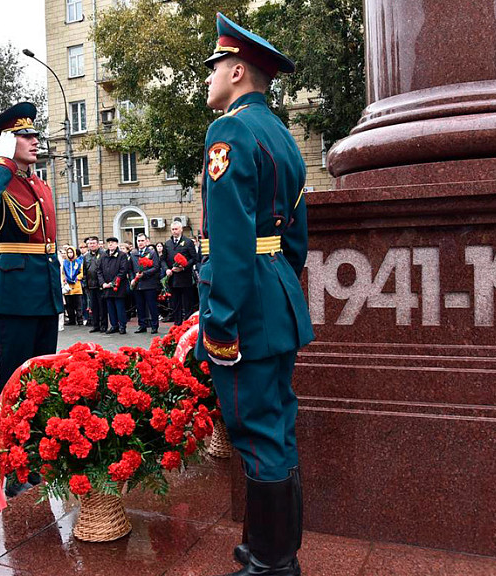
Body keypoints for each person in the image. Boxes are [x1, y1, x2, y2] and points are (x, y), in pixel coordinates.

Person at [195, 14, 314, 576]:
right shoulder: (284, 138)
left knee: (255, 428)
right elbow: (295, 240)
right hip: (279, 297)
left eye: (214, 67)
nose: (209, 78)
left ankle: (271, 562)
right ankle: (275, 549)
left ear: (238, 70)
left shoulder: (230, 132)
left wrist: (219, 321)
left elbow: (233, 242)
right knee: (278, 425)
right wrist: (277, 284)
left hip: (246, 305)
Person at [0, 101, 62, 405]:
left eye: (35, 134)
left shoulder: (40, 185)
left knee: (45, 379)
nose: (35, 140)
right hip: (16, 295)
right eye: (25, 136)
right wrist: (1, 161)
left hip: (44, 291)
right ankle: (7, 446)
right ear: (8, 142)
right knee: (14, 380)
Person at [164, 220, 198, 325]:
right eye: (172, 229)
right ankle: (177, 325)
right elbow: (163, 259)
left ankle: (188, 324)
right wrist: (166, 269)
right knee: (175, 303)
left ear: (181, 229)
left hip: (185, 278)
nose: (174, 231)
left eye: (176, 229)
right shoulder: (168, 243)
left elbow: (194, 258)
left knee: (187, 303)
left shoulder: (188, 242)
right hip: (172, 279)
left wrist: (184, 267)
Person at [129, 233, 162, 334]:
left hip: (149, 284)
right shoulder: (133, 253)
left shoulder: (152, 252)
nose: (140, 243)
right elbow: (130, 269)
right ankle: (142, 325)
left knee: (152, 306)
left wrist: (144, 274)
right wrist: (132, 279)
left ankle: (154, 325)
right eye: (138, 241)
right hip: (138, 285)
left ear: (147, 241)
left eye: (142, 241)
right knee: (140, 306)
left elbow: (156, 267)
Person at [98, 237, 128, 334]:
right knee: (110, 308)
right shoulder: (103, 255)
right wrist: (103, 283)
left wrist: (112, 283)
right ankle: (114, 325)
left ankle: (122, 326)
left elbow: (123, 271)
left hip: (117, 287)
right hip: (106, 287)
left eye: (112, 243)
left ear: (116, 244)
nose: (110, 244)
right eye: (109, 243)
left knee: (119, 307)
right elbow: (99, 271)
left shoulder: (122, 255)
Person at [62, 246, 83, 326]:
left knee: (78, 305)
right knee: (69, 305)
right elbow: (63, 273)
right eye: (68, 252)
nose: (70, 254)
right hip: (68, 287)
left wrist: (77, 278)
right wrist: (64, 280)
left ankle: (80, 319)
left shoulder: (78, 262)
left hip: (77, 286)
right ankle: (72, 320)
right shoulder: (65, 262)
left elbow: (81, 273)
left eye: (71, 252)